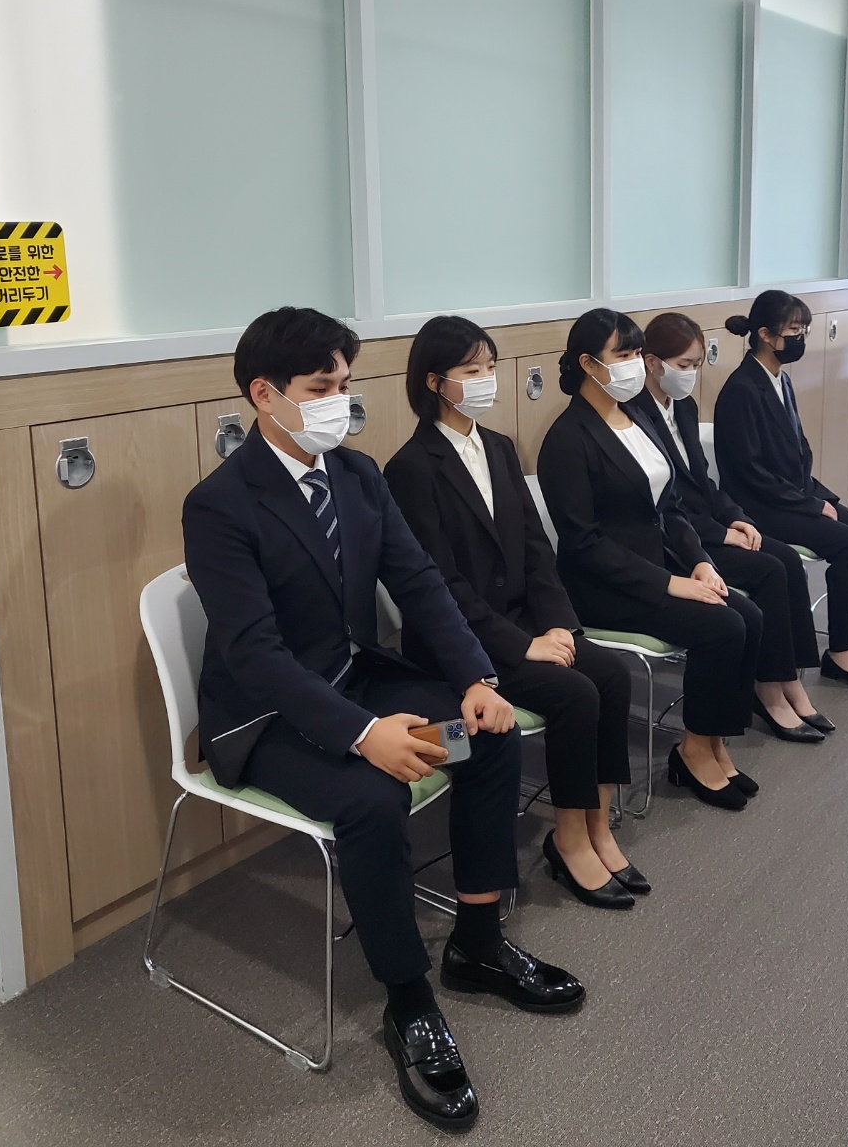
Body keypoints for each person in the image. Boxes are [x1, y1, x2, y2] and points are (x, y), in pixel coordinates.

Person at [183, 306, 584, 1135]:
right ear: (264, 395)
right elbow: (255, 655)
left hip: (356, 677)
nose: (340, 400)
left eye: (345, 382)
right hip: (265, 715)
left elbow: (421, 584)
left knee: (488, 736)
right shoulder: (220, 505)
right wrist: (365, 735)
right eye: (319, 387)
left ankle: (477, 941)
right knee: (372, 799)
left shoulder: (358, 476)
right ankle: (409, 1000)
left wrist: (475, 678)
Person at [386, 316, 646, 911]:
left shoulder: (500, 447)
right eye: (471, 370)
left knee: (610, 674)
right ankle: (569, 837)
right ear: (434, 382)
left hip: (527, 624)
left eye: (490, 367)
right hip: (464, 644)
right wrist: (521, 644)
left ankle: (599, 825)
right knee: (575, 693)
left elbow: (535, 549)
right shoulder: (410, 468)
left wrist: (557, 623)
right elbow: (438, 584)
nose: (486, 380)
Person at [537, 307, 762, 813]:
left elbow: (670, 506)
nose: (636, 364)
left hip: (659, 567)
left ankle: (712, 742)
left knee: (748, 614)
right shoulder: (567, 438)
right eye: (624, 354)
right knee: (723, 627)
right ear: (588, 364)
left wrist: (699, 562)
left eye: (638, 353)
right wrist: (669, 584)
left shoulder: (636, 416)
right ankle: (693, 750)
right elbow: (584, 543)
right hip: (603, 587)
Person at [637, 311, 832, 741]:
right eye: (683, 365)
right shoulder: (634, 415)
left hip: (704, 523)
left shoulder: (683, 407)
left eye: (696, 364)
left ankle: (788, 679)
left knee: (784, 559)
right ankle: (769, 690)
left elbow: (703, 481)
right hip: (679, 540)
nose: (691, 374)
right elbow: (664, 504)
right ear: (652, 363)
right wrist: (718, 533)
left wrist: (736, 516)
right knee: (770, 569)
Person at [714, 290, 848, 691]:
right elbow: (749, 471)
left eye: (803, 329)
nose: (800, 338)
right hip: (760, 505)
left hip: (793, 495)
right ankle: (840, 653)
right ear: (765, 334)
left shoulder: (779, 379)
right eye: (794, 330)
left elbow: (797, 452)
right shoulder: (741, 389)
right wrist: (809, 505)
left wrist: (818, 498)